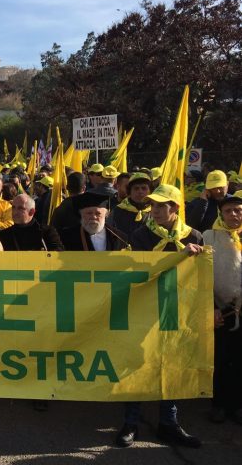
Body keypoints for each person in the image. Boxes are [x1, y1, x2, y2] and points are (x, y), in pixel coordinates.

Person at [116, 183, 204, 448]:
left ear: (175, 207)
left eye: (160, 205)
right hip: (145, 307)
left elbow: (200, 276)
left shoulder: (194, 236)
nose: (154, 210)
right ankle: (130, 423)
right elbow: (141, 270)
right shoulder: (140, 235)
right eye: (152, 205)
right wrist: (179, 257)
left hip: (177, 310)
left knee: (172, 364)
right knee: (137, 363)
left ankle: (169, 423)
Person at [202, 190, 242, 424]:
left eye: (238, 210)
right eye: (229, 211)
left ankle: (237, 405)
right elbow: (201, 275)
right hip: (220, 309)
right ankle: (218, 405)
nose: (234, 214)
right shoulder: (209, 237)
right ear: (221, 214)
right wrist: (211, 307)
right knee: (220, 359)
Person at [59, 192, 129, 251]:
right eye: (89, 213)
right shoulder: (66, 237)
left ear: (106, 215)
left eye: (98, 213)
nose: (93, 217)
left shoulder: (120, 238)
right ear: (81, 214)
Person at [0, 194, 64, 252]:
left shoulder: (47, 233)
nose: (15, 212)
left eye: (20, 208)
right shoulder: (3, 235)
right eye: (13, 207)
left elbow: (58, 253)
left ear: (31, 212)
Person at [111, 172, 152, 237]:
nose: (140, 191)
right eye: (136, 188)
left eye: (144, 188)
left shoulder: (155, 211)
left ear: (150, 191)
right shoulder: (118, 211)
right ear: (129, 192)